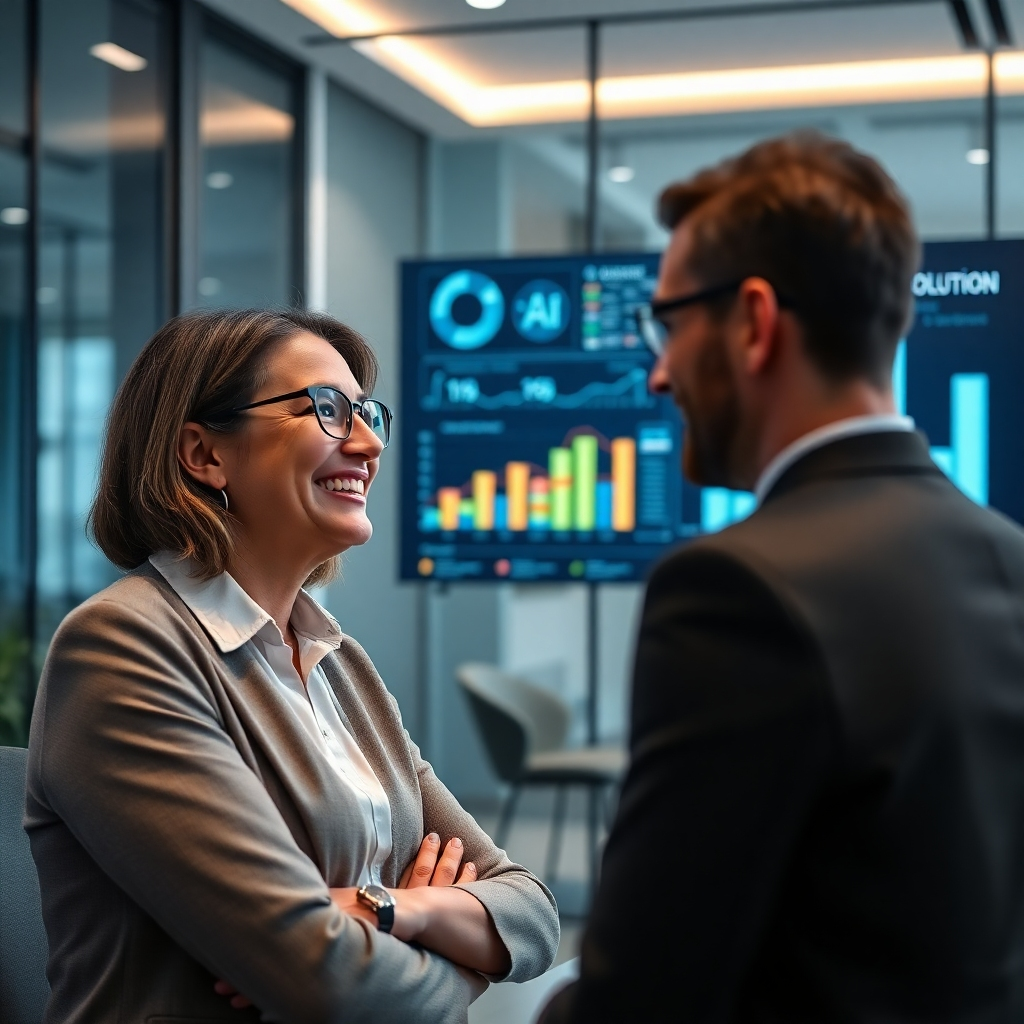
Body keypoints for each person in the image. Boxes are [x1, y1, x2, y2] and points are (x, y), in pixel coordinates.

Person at [541, 132, 1024, 1023]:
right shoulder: (1007, 553)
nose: (657, 372)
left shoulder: (735, 588)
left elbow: (645, 992)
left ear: (755, 322)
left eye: (670, 323)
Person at [25, 308, 559, 1023]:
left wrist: (391, 911)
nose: (368, 443)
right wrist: (457, 950)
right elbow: (327, 983)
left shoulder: (339, 662)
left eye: (368, 413)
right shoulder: (124, 646)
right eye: (329, 410)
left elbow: (530, 912)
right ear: (205, 454)